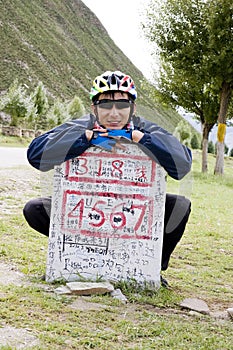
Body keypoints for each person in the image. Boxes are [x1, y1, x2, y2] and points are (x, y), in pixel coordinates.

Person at [23, 70, 192, 287]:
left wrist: (143, 140)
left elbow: (183, 164)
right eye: (105, 105)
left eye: (122, 105)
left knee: (180, 205)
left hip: (131, 208)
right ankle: (84, 254)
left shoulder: (145, 128)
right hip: (87, 206)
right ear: (94, 108)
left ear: (132, 108)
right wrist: (85, 139)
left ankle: (149, 266)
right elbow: (35, 154)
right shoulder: (82, 126)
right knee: (34, 208)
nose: (114, 113)